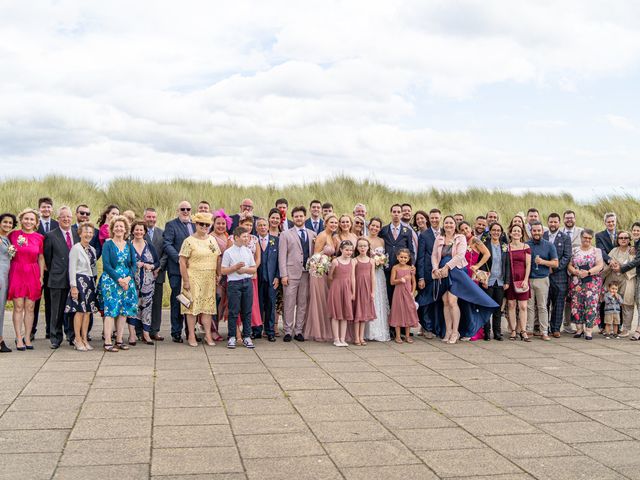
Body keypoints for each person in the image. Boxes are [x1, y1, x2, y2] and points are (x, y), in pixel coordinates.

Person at [430, 216, 498, 344]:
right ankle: (448, 331)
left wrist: (446, 267)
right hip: (442, 273)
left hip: (456, 271)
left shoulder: (460, 238)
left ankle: (456, 332)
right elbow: (434, 255)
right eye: (446, 223)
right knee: (445, 301)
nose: (448, 225)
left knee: (452, 301)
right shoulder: (439, 238)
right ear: (443, 225)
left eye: (451, 223)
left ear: (454, 225)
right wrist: (435, 269)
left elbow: (460, 255)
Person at [179, 212, 221, 347]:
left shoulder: (212, 239)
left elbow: (218, 257)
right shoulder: (189, 241)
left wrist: (218, 274)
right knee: (192, 308)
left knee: (207, 308)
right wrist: (185, 280)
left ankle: (208, 335)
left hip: (209, 278)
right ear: (196, 224)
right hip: (193, 278)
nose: (204, 226)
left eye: (207, 224)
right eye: (201, 224)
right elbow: (182, 261)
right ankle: (191, 335)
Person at [98, 216, 138, 352]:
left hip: (127, 282)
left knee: (123, 311)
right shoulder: (108, 244)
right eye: (116, 226)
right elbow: (107, 266)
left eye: (122, 226)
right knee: (110, 311)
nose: (119, 228)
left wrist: (127, 279)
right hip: (111, 282)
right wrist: (119, 280)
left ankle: (119, 340)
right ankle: (108, 341)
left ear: (126, 229)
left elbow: (134, 265)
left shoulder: (129, 245)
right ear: (112, 229)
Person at [278, 206, 316, 342]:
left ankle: (299, 330)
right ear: (292, 218)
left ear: (305, 217)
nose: (299, 218)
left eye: (301, 216)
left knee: (302, 303)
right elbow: (282, 256)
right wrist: (283, 275)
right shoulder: (285, 234)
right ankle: (288, 330)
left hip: (307, 274)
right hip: (291, 273)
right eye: (296, 216)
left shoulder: (312, 234)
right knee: (289, 303)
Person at [9, 209, 45, 350]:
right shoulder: (13, 235)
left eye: (32, 219)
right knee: (18, 306)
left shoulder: (39, 237)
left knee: (30, 307)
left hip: (33, 272)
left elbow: (41, 257)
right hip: (17, 271)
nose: (28, 221)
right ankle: (18, 338)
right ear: (21, 220)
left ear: (36, 222)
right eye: (26, 218)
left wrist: (41, 276)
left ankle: (28, 337)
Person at [43, 206, 79, 348]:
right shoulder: (51, 235)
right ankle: (55, 338)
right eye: (63, 216)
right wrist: (56, 271)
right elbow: (47, 258)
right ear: (58, 219)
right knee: (56, 310)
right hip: (58, 278)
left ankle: (71, 336)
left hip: (75, 279)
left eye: (68, 216)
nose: (66, 219)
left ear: (72, 218)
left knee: (72, 310)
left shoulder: (77, 233)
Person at [164, 201, 195, 343]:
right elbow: (167, 244)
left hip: (193, 270)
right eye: (182, 209)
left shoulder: (195, 225)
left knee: (191, 300)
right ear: (178, 210)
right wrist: (180, 259)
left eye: (188, 209)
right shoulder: (171, 225)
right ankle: (176, 332)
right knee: (178, 299)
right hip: (176, 270)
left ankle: (190, 332)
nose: (185, 211)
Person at [304, 214, 338, 342]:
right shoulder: (322, 235)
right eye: (331, 222)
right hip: (317, 271)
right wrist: (325, 260)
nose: (334, 225)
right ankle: (317, 331)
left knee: (324, 300)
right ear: (326, 223)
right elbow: (316, 255)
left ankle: (324, 329)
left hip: (325, 270)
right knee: (318, 300)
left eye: (336, 223)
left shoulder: (331, 236)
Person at [65, 223, 99, 351]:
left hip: (89, 282)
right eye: (86, 232)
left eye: (91, 232)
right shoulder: (76, 248)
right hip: (79, 281)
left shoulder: (92, 249)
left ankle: (85, 338)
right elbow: (71, 269)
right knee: (79, 311)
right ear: (80, 233)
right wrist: (73, 286)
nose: (88, 234)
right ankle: (77, 339)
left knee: (88, 312)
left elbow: (93, 268)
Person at [221, 227, 256, 349]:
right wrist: (235, 268)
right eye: (244, 236)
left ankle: (247, 336)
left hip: (247, 282)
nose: (247, 239)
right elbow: (223, 270)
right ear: (236, 237)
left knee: (247, 311)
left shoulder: (247, 251)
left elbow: (253, 268)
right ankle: (232, 337)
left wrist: (245, 270)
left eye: (248, 236)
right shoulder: (228, 252)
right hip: (234, 284)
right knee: (233, 311)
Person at [568, 229, 604, 340]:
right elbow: (569, 265)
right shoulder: (574, 250)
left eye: (589, 238)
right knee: (576, 304)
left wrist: (588, 272)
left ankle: (588, 330)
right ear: (581, 237)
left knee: (591, 305)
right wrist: (575, 271)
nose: (587, 240)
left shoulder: (596, 251)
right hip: (577, 282)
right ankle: (579, 329)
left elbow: (600, 265)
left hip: (592, 282)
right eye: (585, 237)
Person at [128, 220, 159, 345]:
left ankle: (146, 333)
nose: (138, 232)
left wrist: (150, 266)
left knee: (147, 307)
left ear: (145, 232)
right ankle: (132, 334)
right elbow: (124, 262)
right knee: (132, 307)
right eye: (136, 229)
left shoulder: (150, 246)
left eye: (141, 230)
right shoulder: (128, 246)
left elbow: (157, 262)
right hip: (132, 282)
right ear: (132, 231)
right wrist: (134, 265)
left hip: (147, 282)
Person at [526, 222, 558, 341]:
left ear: (542, 231)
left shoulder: (549, 245)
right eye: (534, 231)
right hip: (528, 279)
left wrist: (543, 262)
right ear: (531, 232)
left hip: (542, 279)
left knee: (542, 306)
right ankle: (529, 329)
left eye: (539, 230)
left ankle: (544, 331)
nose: (536, 233)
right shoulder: (526, 245)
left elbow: (555, 263)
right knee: (529, 306)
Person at [380, 205, 415, 308]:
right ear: (391, 213)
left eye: (398, 212)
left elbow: (411, 250)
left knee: (402, 295)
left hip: (402, 269)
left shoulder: (407, 231)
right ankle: (392, 321)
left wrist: (411, 264)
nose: (396, 214)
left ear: (401, 214)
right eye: (394, 211)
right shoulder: (384, 230)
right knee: (389, 294)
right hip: (387, 268)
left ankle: (402, 321)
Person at [544, 213, 572, 337]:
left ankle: (555, 328)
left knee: (559, 304)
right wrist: (546, 268)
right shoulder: (543, 235)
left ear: (559, 223)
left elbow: (567, 257)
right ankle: (544, 328)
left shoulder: (565, 238)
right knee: (544, 303)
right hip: (543, 275)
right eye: (551, 222)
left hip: (560, 276)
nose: (553, 224)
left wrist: (554, 268)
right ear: (548, 222)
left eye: (555, 222)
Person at [33, 197, 57, 340]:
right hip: (36, 269)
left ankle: (50, 330)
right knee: (35, 301)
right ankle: (32, 330)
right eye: (43, 207)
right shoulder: (33, 224)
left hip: (53, 270)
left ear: (52, 209)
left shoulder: (56, 224)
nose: (46, 209)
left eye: (48, 207)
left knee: (50, 302)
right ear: (39, 209)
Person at [603, 231, 635, 336]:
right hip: (612, 280)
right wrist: (612, 266)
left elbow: (634, 266)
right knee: (609, 302)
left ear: (629, 239)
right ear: (617, 240)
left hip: (626, 279)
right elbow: (606, 265)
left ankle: (625, 329)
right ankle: (608, 327)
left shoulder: (632, 251)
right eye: (621, 238)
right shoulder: (614, 251)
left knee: (626, 304)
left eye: (626, 237)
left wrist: (621, 267)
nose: (623, 239)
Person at [482, 222, 510, 341]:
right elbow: (482, 263)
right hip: (488, 281)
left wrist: (507, 281)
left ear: (501, 232)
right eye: (494, 230)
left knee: (498, 308)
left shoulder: (504, 246)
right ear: (490, 231)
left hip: (500, 281)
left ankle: (497, 333)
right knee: (487, 307)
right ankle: (487, 333)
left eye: (498, 230)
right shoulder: (485, 245)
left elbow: (507, 265)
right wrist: (483, 279)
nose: (496, 232)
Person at [364, 218, 390, 342]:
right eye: (373, 226)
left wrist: (381, 260)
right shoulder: (363, 239)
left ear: (380, 228)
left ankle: (379, 330)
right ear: (369, 226)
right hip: (367, 272)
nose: (374, 228)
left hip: (379, 273)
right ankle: (367, 331)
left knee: (379, 299)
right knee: (369, 298)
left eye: (377, 226)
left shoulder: (382, 241)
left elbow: (384, 257)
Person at [505, 224, 531, 341]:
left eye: (518, 231)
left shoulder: (526, 247)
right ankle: (513, 330)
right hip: (510, 278)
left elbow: (528, 264)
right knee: (511, 305)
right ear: (510, 233)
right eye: (514, 231)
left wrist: (526, 280)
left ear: (521, 234)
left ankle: (523, 330)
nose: (516, 233)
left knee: (523, 306)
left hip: (522, 278)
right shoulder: (506, 247)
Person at [417, 209, 441, 338]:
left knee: (438, 302)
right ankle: (427, 327)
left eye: (436, 218)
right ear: (429, 219)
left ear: (440, 217)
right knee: (426, 302)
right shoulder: (424, 235)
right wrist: (421, 277)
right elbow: (420, 257)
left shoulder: (445, 233)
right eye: (432, 218)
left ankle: (437, 328)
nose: (434, 220)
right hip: (427, 273)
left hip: (442, 273)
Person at [143, 208, 166, 341]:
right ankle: (141, 330)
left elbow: (165, 253)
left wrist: (158, 267)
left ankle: (155, 330)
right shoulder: (138, 232)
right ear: (144, 217)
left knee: (157, 304)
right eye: (149, 217)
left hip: (158, 274)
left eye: (153, 217)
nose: (151, 219)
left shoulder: (162, 233)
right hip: (143, 274)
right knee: (142, 303)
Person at [255, 218, 279, 342]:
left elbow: (280, 261)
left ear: (268, 227)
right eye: (260, 225)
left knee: (270, 305)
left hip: (271, 279)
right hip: (257, 279)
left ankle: (270, 331)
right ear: (256, 228)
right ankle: (257, 330)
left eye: (265, 225)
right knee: (257, 305)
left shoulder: (276, 241)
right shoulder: (253, 241)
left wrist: (277, 277)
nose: (263, 227)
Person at [238, 217, 262, 339]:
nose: (248, 227)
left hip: (251, 274)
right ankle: (237, 329)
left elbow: (258, 258)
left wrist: (252, 269)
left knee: (251, 302)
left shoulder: (254, 239)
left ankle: (251, 328)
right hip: (237, 273)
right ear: (240, 225)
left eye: (250, 225)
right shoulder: (233, 239)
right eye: (246, 225)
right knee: (238, 302)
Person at [328, 240, 355, 347]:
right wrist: (333, 288)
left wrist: (353, 291)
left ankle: (343, 339)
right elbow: (330, 277)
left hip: (347, 289)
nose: (349, 252)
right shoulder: (335, 262)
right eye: (346, 250)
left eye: (351, 250)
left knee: (344, 314)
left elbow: (352, 277)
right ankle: (336, 339)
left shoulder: (352, 261)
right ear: (341, 250)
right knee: (336, 314)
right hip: (336, 289)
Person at [389, 248, 418, 343]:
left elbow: (414, 282)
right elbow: (392, 282)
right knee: (398, 312)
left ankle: (407, 336)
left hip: (408, 294)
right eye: (401, 257)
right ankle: (397, 336)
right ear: (397, 257)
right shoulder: (395, 268)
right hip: (398, 293)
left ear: (408, 258)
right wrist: (400, 279)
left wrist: (412, 292)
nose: (403, 259)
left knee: (408, 312)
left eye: (405, 257)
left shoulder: (410, 268)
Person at [211, 211, 232, 339]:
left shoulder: (227, 236)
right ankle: (213, 329)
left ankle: (216, 327)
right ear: (213, 224)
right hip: (215, 273)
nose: (221, 226)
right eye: (218, 223)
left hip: (226, 274)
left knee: (223, 302)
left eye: (223, 223)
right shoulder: (210, 237)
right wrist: (217, 274)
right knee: (216, 299)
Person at [353, 238, 376, 345]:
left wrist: (372, 291)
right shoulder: (354, 260)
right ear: (357, 248)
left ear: (368, 247)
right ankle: (356, 337)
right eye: (360, 246)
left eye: (364, 246)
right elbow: (352, 276)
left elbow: (373, 277)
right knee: (358, 313)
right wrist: (352, 291)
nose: (362, 248)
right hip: (358, 288)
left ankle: (361, 336)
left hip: (366, 288)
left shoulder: (371, 261)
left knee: (363, 314)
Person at [0, 213, 17, 352]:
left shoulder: (6, 239)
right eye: (5, 222)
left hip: (5, 277)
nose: (7, 225)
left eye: (10, 223)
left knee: (1, 309)